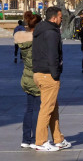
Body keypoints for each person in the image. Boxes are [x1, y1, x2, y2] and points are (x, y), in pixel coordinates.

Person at [31, 6, 71, 152]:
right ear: (54, 18)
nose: (62, 19)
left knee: (53, 107)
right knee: (46, 109)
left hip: (39, 73)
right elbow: (53, 55)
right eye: (61, 17)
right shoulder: (52, 33)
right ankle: (41, 142)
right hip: (48, 74)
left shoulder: (40, 30)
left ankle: (58, 139)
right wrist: (55, 75)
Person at [16, 11, 41, 149]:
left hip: (26, 76)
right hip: (36, 76)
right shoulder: (36, 39)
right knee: (38, 109)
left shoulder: (23, 38)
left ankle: (26, 139)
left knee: (29, 109)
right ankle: (36, 138)